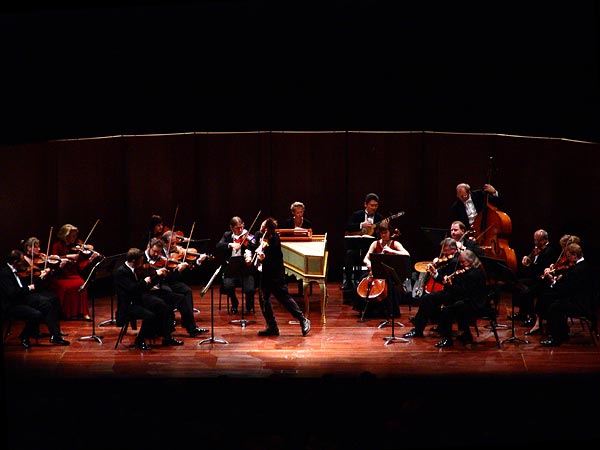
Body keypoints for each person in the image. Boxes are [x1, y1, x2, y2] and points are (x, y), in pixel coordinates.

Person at [253, 217, 311, 337]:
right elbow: (252, 244)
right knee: (264, 301)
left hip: (276, 275)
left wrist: (264, 257)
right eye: (262, 226)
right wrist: (249, 254)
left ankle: (303, 319)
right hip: (264, 275)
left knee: (284, 299)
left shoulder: (274, 239)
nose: (261, 228)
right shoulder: (259, 235)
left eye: (264, 228)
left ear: (269, 231)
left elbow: (271, 259)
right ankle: (272, 326)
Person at [0, 249, 70, 348]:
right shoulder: (4, 273)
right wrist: (29, 288)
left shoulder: (17, 270)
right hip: (11, 304)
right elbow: (12, 293)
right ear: (15, 262)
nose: (23, 263)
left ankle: (55, 336)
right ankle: (24, 336)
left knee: (48, 304)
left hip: (22, 298)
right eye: (21, 261)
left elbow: (29, 285)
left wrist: (41, 276)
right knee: (36, 314)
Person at [143, 237, 206, 337]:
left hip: (161, 287)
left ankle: (191, 328)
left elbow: (168, 277)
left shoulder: (161, 259)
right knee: (169, 296)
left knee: (182, 296)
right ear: (148, 247)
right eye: (154, 251)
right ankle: (166, 331)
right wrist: (157, 274)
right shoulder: (142, 259)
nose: (156, 255)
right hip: (148, 292)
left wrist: (177, 270)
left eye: (158, 252)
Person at [403, 238, 463, 339]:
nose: (443, 252)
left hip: (455, 293)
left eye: (446, 250)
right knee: (428, 298)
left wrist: (435, 274)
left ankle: (418, 329)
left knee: (427, 298)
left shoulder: (455, 261)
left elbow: (445, 280)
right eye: (443, 250)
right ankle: (421, 327)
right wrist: (435, 269)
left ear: (453, 249)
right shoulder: (450, 259)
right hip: (450, 290)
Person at [540, 243, 596, 347]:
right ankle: (562, 333)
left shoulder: (579, 269)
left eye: (569, 256)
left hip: (581, 305)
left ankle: (556, 338)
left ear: (575, 255)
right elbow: (569, 278)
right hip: (583, 301)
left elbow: (566, 289)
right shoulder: (583, 265)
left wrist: (553, 281)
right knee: (556, 303)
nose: (567, 259)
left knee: (554, 307)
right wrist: (559, 278)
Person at [114, 247, 169, 350]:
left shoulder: (135, 269)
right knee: (150, 316)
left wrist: (158, 276)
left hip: (137, 301)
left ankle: (166, 337)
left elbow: (145, 286)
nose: (142, 261)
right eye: (141, 260)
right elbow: (133, 289)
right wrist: (144, 281)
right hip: (128, 305)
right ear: (134, 261)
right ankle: (140, 339)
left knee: (162, 306)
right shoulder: (121, 272)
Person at [529, 234, 582, 336]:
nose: (563, 252)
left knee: (546, 296)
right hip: (565, 287)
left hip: (571, 294)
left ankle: (551, 328)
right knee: (544, 292)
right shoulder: (568, 259)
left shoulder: (577, 265)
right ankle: (544, 324)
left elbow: (570, 279)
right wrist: (553, 268)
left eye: (564, 248)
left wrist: (555, 279)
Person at [355, 222, 410, 318]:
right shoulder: (375, 244)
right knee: (362, 279)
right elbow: (365, 258)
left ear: (390, 232)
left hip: (390, 274)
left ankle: (389, 311)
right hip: (377, 272)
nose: (383, 235)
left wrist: (391, 251)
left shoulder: (395, 243)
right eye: (381, 233)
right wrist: (369, 264)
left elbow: (407, 254)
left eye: (385, 232)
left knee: (391, 286)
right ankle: (366, 309)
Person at [160, 230, 209, 335]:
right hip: (162, 283)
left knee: (187, 290)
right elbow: (164, 275)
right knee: (176, 295)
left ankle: (190, 326)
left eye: (175, 243)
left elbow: (190, 263)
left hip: (172, 281)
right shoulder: (159, 252)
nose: (174, 246)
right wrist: (177, 270)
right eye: (171, 243)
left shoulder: (177, 251)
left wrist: (198, 261)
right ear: (164, 243)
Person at [50, 224, 101, 320]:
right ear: (66, 235)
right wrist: (68, 256)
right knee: (67, 287)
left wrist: (90, 260)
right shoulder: (57, 245)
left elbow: (80, 265)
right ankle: (67, 313)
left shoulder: (77, 245)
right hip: (61, 275)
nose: (75, 238)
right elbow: (53, 258)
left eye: (75, 235)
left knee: (82, 283)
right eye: (72, 236)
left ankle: (83, 312)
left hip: (73, 274)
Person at [510, 229, 557, 329]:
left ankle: (532, 317)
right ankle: (522, 313)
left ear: (545, 240)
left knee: (527, 292)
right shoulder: (536, 248)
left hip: (543, 281)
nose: (536, 243)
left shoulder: (549, 251)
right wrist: (527, 260)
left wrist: (532, 263)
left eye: (538, 240)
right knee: (516, 284)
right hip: (535, 278)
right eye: (534, 240)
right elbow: (531, 264)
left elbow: (541, 268)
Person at [342, 193, 384, 291]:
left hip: (372, 248)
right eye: (372, 205)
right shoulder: (357, 215)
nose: (374, 208)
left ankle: (377, 284)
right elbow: (348, 227)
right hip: (357, 247)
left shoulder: (379, 217)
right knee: (349, 254)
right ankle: (348, 282)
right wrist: (361, 225)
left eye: (376, 206)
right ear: (365, 204)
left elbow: (383, 232)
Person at [215, 216, 257, 314]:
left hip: (246, 270)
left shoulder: (248, 236)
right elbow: (219, 246)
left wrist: (249, 254)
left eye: (242, 227)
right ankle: (234, 302)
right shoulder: (227, 235)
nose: (241, 230)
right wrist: (230, 244)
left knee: (250, 289)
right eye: (238, 228)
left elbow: (254, 247)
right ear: (231, 228)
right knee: (227, 285)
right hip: (231, 270)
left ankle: (249, 304)